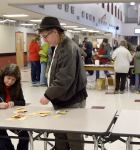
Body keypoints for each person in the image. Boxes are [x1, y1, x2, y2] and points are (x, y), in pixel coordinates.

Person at [38, 16, 87, 150]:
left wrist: (48, 95)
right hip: (61, 98)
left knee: (73, 135)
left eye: (45, 36)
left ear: (55, 32)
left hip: (72, 99)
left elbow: (65, 77)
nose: (44, 39)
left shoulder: (67, 48)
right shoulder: (57, 46)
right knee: (60, 133)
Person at [0, 64, 29, 150]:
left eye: (13, 80)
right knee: (2, 139)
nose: (10, 82)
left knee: (25, 136)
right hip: (1, 121)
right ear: (4, 75)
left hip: (12, 119)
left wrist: (14, 102)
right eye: (8, 78)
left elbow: (23, 102)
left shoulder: (17, 87)